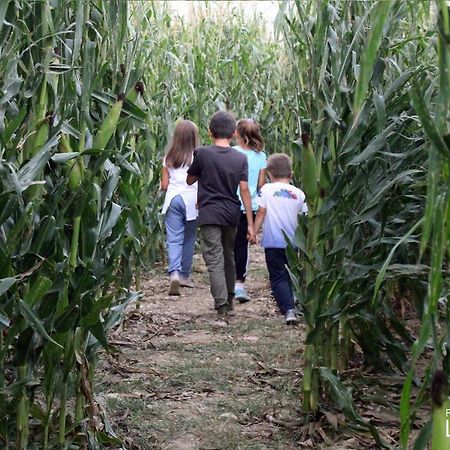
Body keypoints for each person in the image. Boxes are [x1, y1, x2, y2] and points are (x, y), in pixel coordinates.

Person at [186, 111, 256, 316]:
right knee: (229, 255)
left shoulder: (203, 153)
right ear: (234, 133)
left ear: (209, 132)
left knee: (214, 259)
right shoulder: (240, 158)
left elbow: (190, 180)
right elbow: (244, 190)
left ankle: (221, 303)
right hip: (232, 213)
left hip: (209, 213)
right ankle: (230, 296)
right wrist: (250, 224)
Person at [254, 153, 308, 325]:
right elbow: (305, 216)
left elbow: (261, 212)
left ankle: (288, 309)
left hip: (273, 242)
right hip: (294, 243)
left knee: (278, 276)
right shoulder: (299, 193)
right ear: (291, 174)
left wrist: (253, 231)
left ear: (269, 174)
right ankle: (295, 302)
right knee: (291, 274)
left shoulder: (266, 190)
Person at [161, 120, 199, 295]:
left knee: (174, 238)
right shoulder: (198, 156)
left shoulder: (169, 156)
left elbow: (164, 185)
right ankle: (184, 275)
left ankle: (174, 272)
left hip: (173, 199)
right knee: (189, 238)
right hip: (192, 200)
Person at [233, 119, 267, 303]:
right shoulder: (261, 156)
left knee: (229, 243)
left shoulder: (232, 153)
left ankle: (227, 282)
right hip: (250, 207)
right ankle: (239, 284)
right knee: (242, 245)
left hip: (231, 204)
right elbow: (261, 184)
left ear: (237, 134)